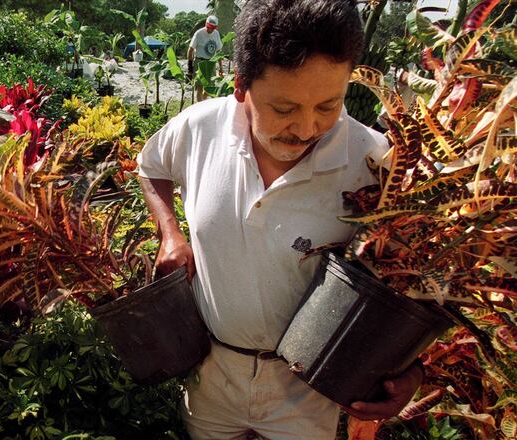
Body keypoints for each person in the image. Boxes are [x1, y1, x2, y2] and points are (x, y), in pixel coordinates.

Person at [137, 0, 423, 438]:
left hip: (310, 392)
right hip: (211, 374)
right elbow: (150, 166)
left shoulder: (376, 163)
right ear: (240, 87)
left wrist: (411, 374)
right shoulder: (198, 128)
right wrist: (170, 235)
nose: (307, 128)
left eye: (329, 105)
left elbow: (412, 282)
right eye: (284, 109)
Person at [187, 15, 223, 102]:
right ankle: (199, 106)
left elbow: (218, 52)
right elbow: (190, 50)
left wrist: (221, 68)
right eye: (209, 27)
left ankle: (202, 101)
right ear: (206, 24)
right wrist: (190, 68)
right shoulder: (199, 33)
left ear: (216, 27)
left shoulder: (216, 34)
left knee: (210, 87)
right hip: (200, 62)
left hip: (211, 63)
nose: (210, 29)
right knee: (199, 86)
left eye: (213, 28)